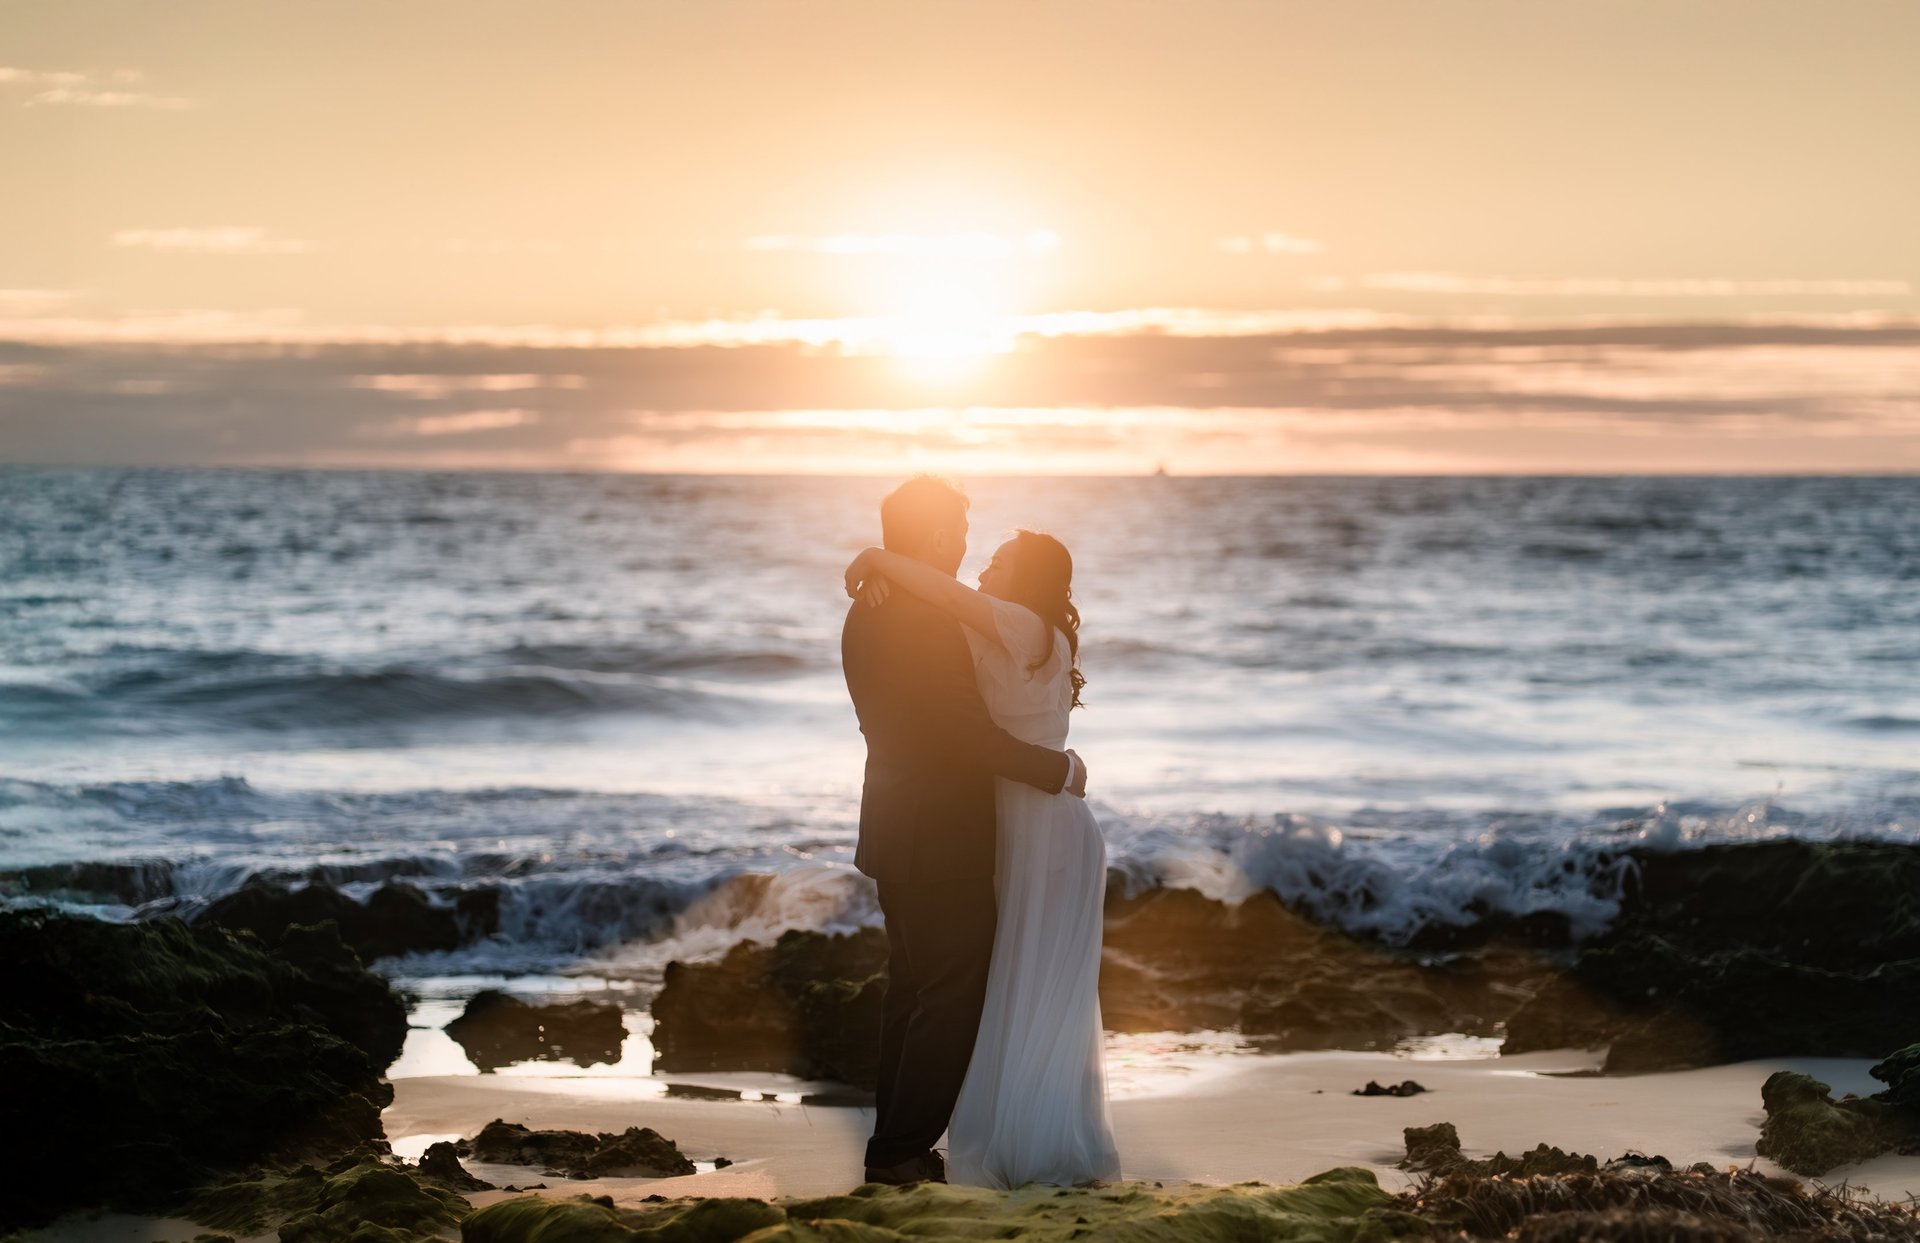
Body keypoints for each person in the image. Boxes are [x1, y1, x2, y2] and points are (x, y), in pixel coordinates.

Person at [843, 485, 1120, 1189]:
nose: (968, 548)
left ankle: (896, 1148)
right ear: (937, 537)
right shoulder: (926, 619)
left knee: (912, 992)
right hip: (945, 832)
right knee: (950, 996)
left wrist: (876, 565)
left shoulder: (875, 609)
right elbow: (965, 735)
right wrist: (1058, 767)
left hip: (896, 823)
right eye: (963, 530)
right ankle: (900, 1152)